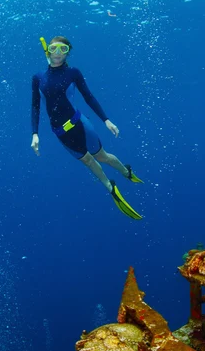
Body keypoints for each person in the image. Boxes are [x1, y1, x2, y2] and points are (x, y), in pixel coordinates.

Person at [30, 36, 143, 220]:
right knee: (88, 161)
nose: (58, 53)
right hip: (60, 132)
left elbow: (88, 97)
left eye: (63, 49)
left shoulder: (73, 73)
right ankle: (110, 187)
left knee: (102, 156)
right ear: (48, 50)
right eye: (54, 48)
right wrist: (35, 133)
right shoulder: (38, 78)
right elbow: (35, 106)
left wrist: (106, 120)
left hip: (79, 123)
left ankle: (125, 171)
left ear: (68, 53)